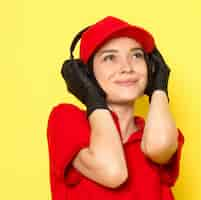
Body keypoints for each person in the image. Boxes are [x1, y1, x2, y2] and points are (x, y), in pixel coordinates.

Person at [46, 16, 185, 200]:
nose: (127, 68)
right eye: (110, 57)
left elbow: (159, 147)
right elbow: (112, 172)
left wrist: (159, 88)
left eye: (136, 55)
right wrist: (93, 99)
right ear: (85, 73)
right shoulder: (66, 119)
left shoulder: (153, 130)